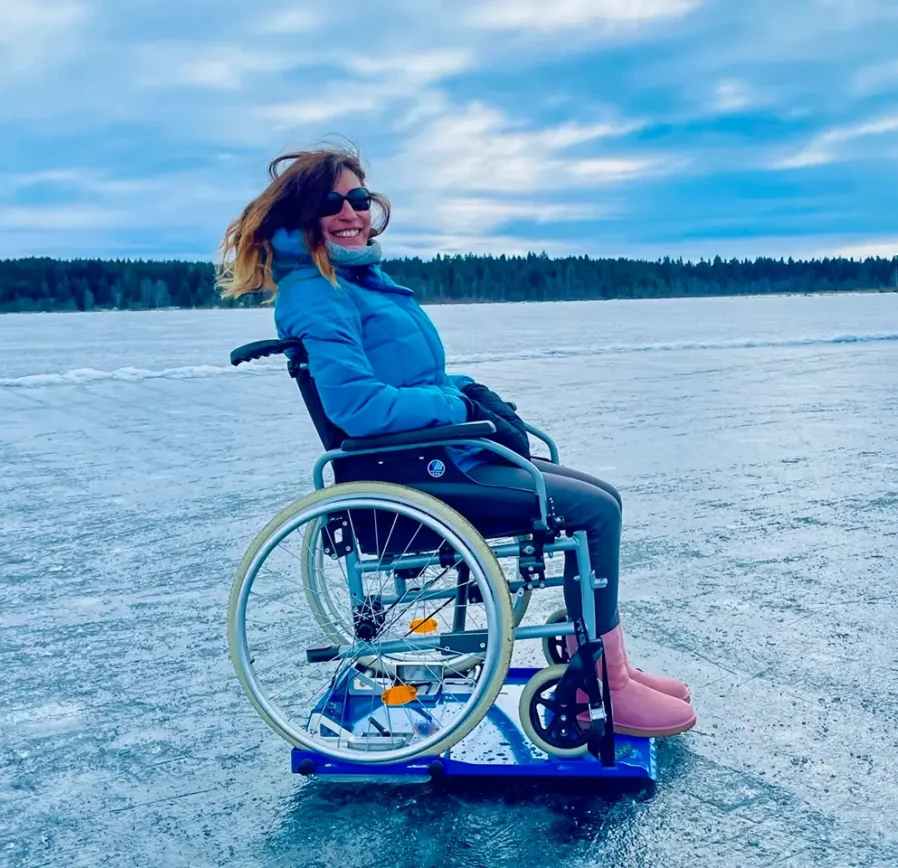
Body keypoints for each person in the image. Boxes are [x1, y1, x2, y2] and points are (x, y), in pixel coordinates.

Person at [217, 144, 696, 738]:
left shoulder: (359, 280)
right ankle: (604, 690)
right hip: (416, 473)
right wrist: (454, 405)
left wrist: (472, 391)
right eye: (331, 203)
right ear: (300, 217)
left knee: (601, 497)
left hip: (440, 454)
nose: (351, 213)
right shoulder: (318, 293)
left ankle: (603, 661)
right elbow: (359, 408)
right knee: (592, 512)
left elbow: (415, 377)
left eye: (359, 198)